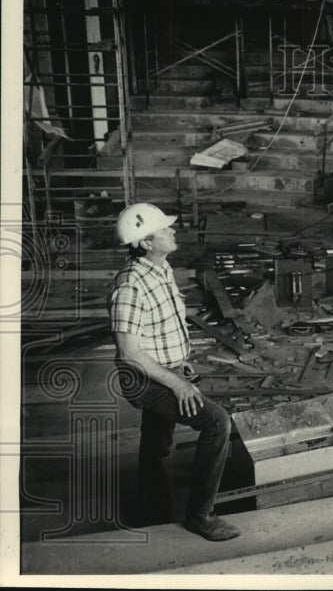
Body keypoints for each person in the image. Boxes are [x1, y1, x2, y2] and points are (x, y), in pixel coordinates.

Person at [107, 202, 240, 541]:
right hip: (143, 380)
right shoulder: (131, 286)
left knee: (156, 441)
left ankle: (154, 510)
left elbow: (163, 328)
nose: (172, 230)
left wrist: (180, 363)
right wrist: (177, 384)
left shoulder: (161, 269)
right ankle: (201, 515)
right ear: (146, 243)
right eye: (164, 229)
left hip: (166, 368)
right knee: (216, 421)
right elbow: (130, 353)